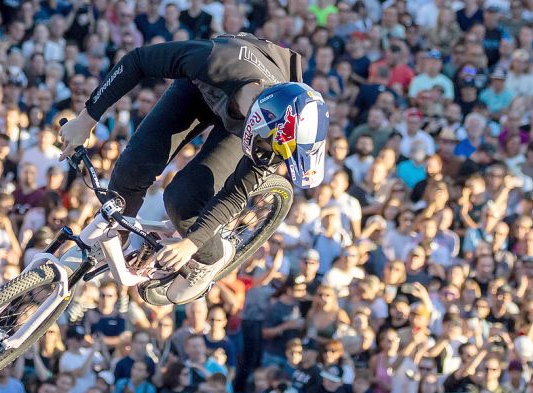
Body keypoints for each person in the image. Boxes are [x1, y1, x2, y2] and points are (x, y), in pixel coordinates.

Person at [58, 35, 329, 303]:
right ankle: (119, 234)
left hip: (238, 128)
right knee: (131, 171)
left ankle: (212, 258)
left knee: (183, 203)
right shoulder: (215, 60)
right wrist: (87, 119)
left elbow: (235, 194)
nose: (266, 153)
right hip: (204, 89)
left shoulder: (278, 136)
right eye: (265, 145)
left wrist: (191, 244)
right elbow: (137, 61)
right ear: (261, 119)